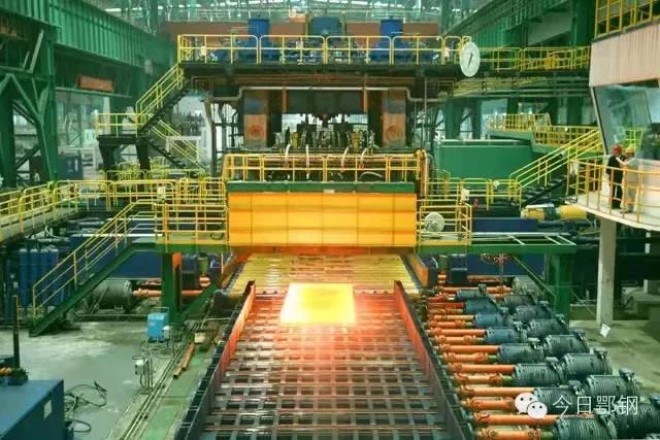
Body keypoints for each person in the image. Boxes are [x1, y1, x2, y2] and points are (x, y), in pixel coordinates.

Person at [618, 145, 639, 214]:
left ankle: (630, 208)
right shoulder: (627, 160)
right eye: (626, 153)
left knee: (632, 194)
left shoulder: (634, 160)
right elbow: (621, 166)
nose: (626, 155)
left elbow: (626, 165)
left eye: (627, 153)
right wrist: (621, 160)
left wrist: (621, 161)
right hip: (626, 179)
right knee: (625, 194)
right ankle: (626, 208)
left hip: (632, 180)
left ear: (631, 153)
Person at [606, 144, 623, 209]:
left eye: (616, 151)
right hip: (613, 177)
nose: (614, 152)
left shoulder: (623, 157)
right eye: (614, 150)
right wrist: (608, 178)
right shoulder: (611, 158)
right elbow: (608, 169)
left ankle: (617, 205)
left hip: (619, 178)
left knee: (619, 191)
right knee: (612, 191)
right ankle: (612, 205)